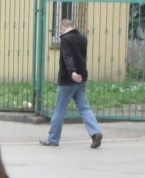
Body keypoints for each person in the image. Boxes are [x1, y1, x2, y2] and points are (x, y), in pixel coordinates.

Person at [41, 19, 103, 148]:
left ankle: (53, 139)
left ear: (63, 28)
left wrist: (72, 73)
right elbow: (81, 57)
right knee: (85, 108)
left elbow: (67, 56)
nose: (61, 32)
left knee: (60, 110)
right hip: (82, 78)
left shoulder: (65, 39)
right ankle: (96, 133)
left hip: (69, 80)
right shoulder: (83, 38)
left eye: (61, 30)